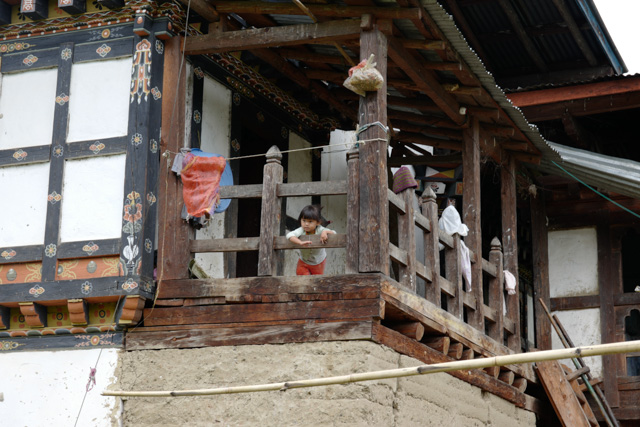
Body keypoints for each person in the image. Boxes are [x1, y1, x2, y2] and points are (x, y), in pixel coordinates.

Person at [286, 205, 336, 275]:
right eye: (304, 220)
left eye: (310, 221)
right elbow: (289, 235)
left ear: (318, 222)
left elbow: (334, 233)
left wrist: (325, 232)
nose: (306, 224)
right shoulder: (301, 230)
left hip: (318, 261)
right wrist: (300, 242)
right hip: (303, 260)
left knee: (317, 279)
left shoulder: (320, 229)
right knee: (301, 276)